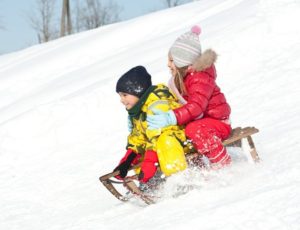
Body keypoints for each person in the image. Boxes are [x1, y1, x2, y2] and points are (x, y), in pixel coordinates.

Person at [147, 25, 232, 169]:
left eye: (172, 61)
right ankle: (197, 169)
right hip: (204, 122)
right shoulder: (183, 78)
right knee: (181, 132)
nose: (168, 64)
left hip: (218, 123)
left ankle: (223, 164)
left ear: (182, 62)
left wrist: (171, 117)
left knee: (193, 129)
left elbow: (197, 106)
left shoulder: (200, 77)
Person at [113, 65, 187, 184]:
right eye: (120, 96)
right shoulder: (138, 112)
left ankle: (179, 179)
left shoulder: (157, 105)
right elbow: (138, 140)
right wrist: (125, 163)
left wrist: (149, 163)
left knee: (165, 140)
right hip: (158, 147)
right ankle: (149, 182)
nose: (121, 100)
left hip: (181, 143)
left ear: (138, 91)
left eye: (124, 95)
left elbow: (157, 138)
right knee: (143, 152)